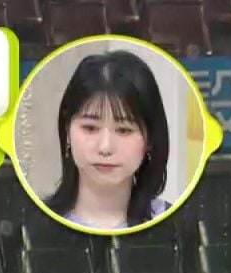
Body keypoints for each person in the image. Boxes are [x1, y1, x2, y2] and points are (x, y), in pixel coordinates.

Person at [42, 50, 172, 231]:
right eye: (90, 128)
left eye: (124, 130)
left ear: (150, 138)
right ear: (67, 130)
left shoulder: (175, 224)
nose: (105, 147)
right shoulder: (35, 225)